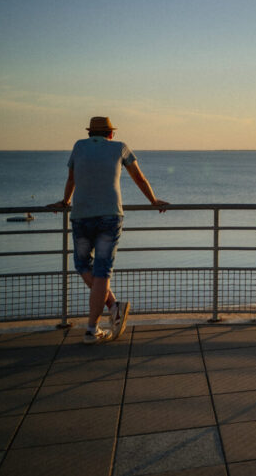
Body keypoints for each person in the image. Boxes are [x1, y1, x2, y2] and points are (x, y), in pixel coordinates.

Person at [48, 116, 168, 344]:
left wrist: (65, 201)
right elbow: (139, 178)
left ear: (90, 133)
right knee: (101, 271)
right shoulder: (119, 147)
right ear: (110, 133)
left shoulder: (79, 146)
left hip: (81, 215)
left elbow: (71, 178)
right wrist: (153, 200)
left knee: (83, 265)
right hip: (110, 217)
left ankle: (107, 315)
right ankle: (101, 321)